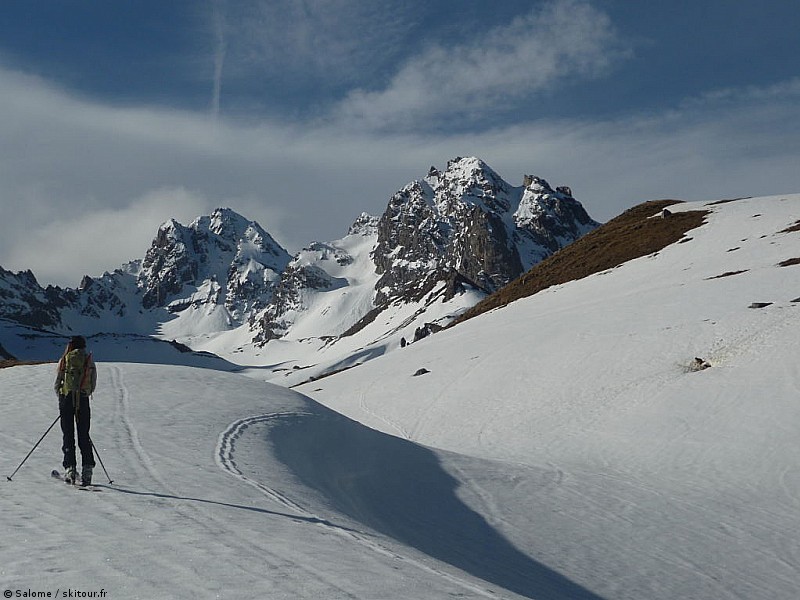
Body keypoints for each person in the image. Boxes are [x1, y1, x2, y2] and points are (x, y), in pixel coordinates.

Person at [53, 335, 97, 485]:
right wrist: (84, 394)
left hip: (67, 399)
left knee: (68, 434)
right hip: (83, 399)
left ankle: (70, 469)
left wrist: (62, 395)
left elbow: (57, 382)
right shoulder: (88, 359)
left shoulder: (65, 359)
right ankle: (87, 470)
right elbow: (93, 382)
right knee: (84, 434)